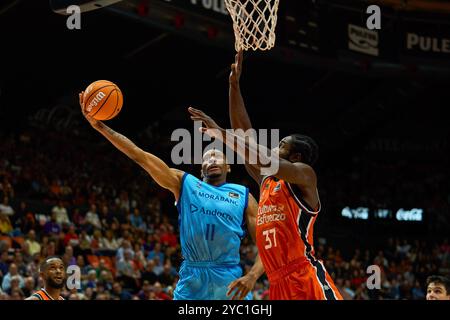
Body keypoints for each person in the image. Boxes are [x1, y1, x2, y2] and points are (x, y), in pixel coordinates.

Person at [187, 50, 343, 300]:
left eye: (281, 144)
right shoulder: (267, 180)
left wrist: (220, 133)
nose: (274, 147)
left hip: (304, 276)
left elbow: (259, 154)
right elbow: (244, 134)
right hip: (277, 282)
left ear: (296, 157)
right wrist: (234, 86)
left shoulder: (304, 175)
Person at [78, 92, 264, 300]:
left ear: (228, 166)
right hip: (193, 276)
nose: (211, 159)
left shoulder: (243, 195)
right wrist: (101, 127)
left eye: (216, 155)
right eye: (207, 157)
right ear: (201, 167)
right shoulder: (185, 183)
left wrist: (252, 276)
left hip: (229, 279)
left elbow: (263, 244)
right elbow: (139, 156)